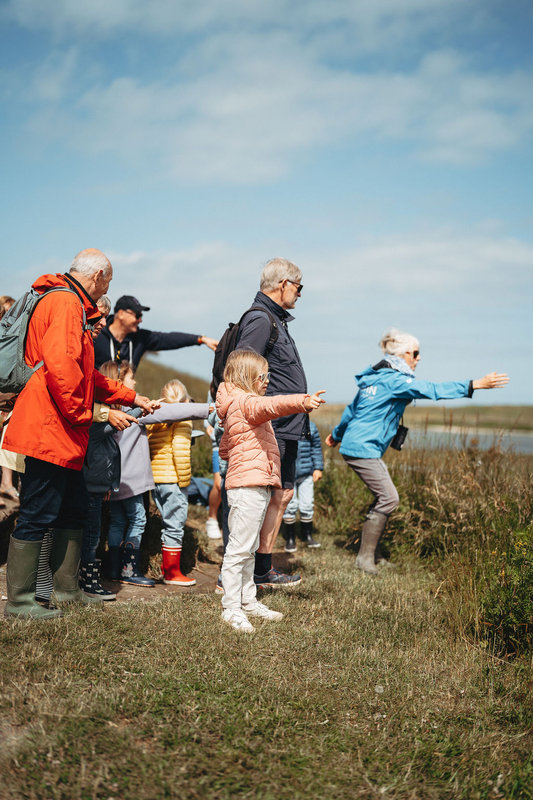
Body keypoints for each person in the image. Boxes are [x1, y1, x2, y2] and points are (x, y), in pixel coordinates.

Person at [3, 249, 158, 619]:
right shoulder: (66, 303)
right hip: (49, 430)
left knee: (72, 511)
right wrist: (82, 413)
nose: (108, 285)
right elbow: (61, 367)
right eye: (109, 280)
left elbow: (89, 375)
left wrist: (132, 396)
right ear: (99, 276)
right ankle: (21, 603)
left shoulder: (71, 304)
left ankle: (67, 590)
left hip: (65, 433)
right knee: (37, 513)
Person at [325, 329, 509, 574]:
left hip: (357, 446)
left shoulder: (375, 378)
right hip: (363, 448)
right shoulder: (396, 380)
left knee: (383, 497)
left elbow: (351, 410)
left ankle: (373, 554)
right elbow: (431, 390)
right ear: (403, 354)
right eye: (416, 353)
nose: (419, 358)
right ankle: (364, 559)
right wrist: (475, 385)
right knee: (390, 498)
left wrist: (336, 435)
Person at [216, 349, 325, 632]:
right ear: (248, 378)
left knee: (249, 548)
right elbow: (273, 406)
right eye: (263, 376)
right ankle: (231, 608)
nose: (268, 380)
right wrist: (302, 401)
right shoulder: (247, 403)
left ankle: (248, 600)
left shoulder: (236, 405)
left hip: (253, 483)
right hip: (247, 485)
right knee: (239, 550)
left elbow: (226, 445)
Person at [235, 257, 309, 589]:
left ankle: (262, 570)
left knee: (282, 495)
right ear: (283, 284)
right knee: (259, 496)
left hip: (288, 425)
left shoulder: (277, 320)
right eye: (299, 286)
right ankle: (239, 574)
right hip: (272, 426)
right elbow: (242, 369)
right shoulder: (261, 319)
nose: (300, 293)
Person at [108, 367, 209, 586]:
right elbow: (181, 452)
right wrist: (185, 480)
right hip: (157, 479)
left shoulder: (114, 414)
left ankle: (114, 568)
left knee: (117, 521)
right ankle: (160, 571)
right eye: (131, 378)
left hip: (134, 479)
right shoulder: (145, 414)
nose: (135, 382)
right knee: (155, 521)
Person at [146, 378, 199, 585]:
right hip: (174, 479)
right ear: (185, 399)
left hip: (156, 478)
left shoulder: (156, 417)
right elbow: (180, 451)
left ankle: (168, 569)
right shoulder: (184, 418)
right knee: (175, 524)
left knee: (168, 522)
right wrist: (184, 481)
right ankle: (172, 572)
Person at [94, 294, 218, 370]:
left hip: (124, 403)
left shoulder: (140, 338)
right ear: (121, 314)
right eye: (137, 315)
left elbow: (168, 339)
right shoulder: (96, 336)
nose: (140, 320)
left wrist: (201, 339)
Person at [282, 420, 324, 552]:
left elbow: (316, 447)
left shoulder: (311, 426)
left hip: (306, 472)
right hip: (287, 473)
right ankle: (290, 538)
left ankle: (307, 536)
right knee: (290, 505)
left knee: (307, 504)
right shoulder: (284, 424)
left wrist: (318, 467)